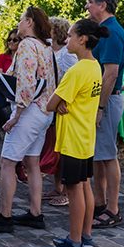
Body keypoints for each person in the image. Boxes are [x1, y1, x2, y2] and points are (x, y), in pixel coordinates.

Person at [0, 6, 57, 233]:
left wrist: (16, 116)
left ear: (30, 22)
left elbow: (26, 84)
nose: (19, 24)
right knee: (32, 163)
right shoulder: (46, 47)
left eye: (22, 20)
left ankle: (4, 215)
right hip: (44, 112)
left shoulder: (27, 45)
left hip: (29, 111)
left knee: (8, 162)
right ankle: (35, 213)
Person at [42, 19, 106, 247]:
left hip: (73, 138)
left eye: (70, 36)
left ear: (82, 39)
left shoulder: (76, 70)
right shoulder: (94, 66)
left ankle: (75, 244)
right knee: (84, 186)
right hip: (86, 136)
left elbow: (50, 104)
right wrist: (62, 104)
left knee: (74, 189)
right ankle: (85, 237)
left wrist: (59, 104)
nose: (66, 40)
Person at [85, 0, 124, 229]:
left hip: (108, 99)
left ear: (102, 5)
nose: (87, 6)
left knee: (108, 155)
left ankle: (113, 209)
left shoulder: (112, 33)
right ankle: (100, 203)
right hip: (103, 99)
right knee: (99, 155)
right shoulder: (105, 30)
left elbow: (110, 74)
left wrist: (100, 108)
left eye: (90, 2)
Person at [43, 16, 78, 206]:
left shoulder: (68, 54)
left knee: (63, 150)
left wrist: (63, 100)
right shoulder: (49, 50)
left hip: (62, 105)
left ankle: (65, 192)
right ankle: (57, 187)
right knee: (55, 148)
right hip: (52, 103)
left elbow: (72, 82)